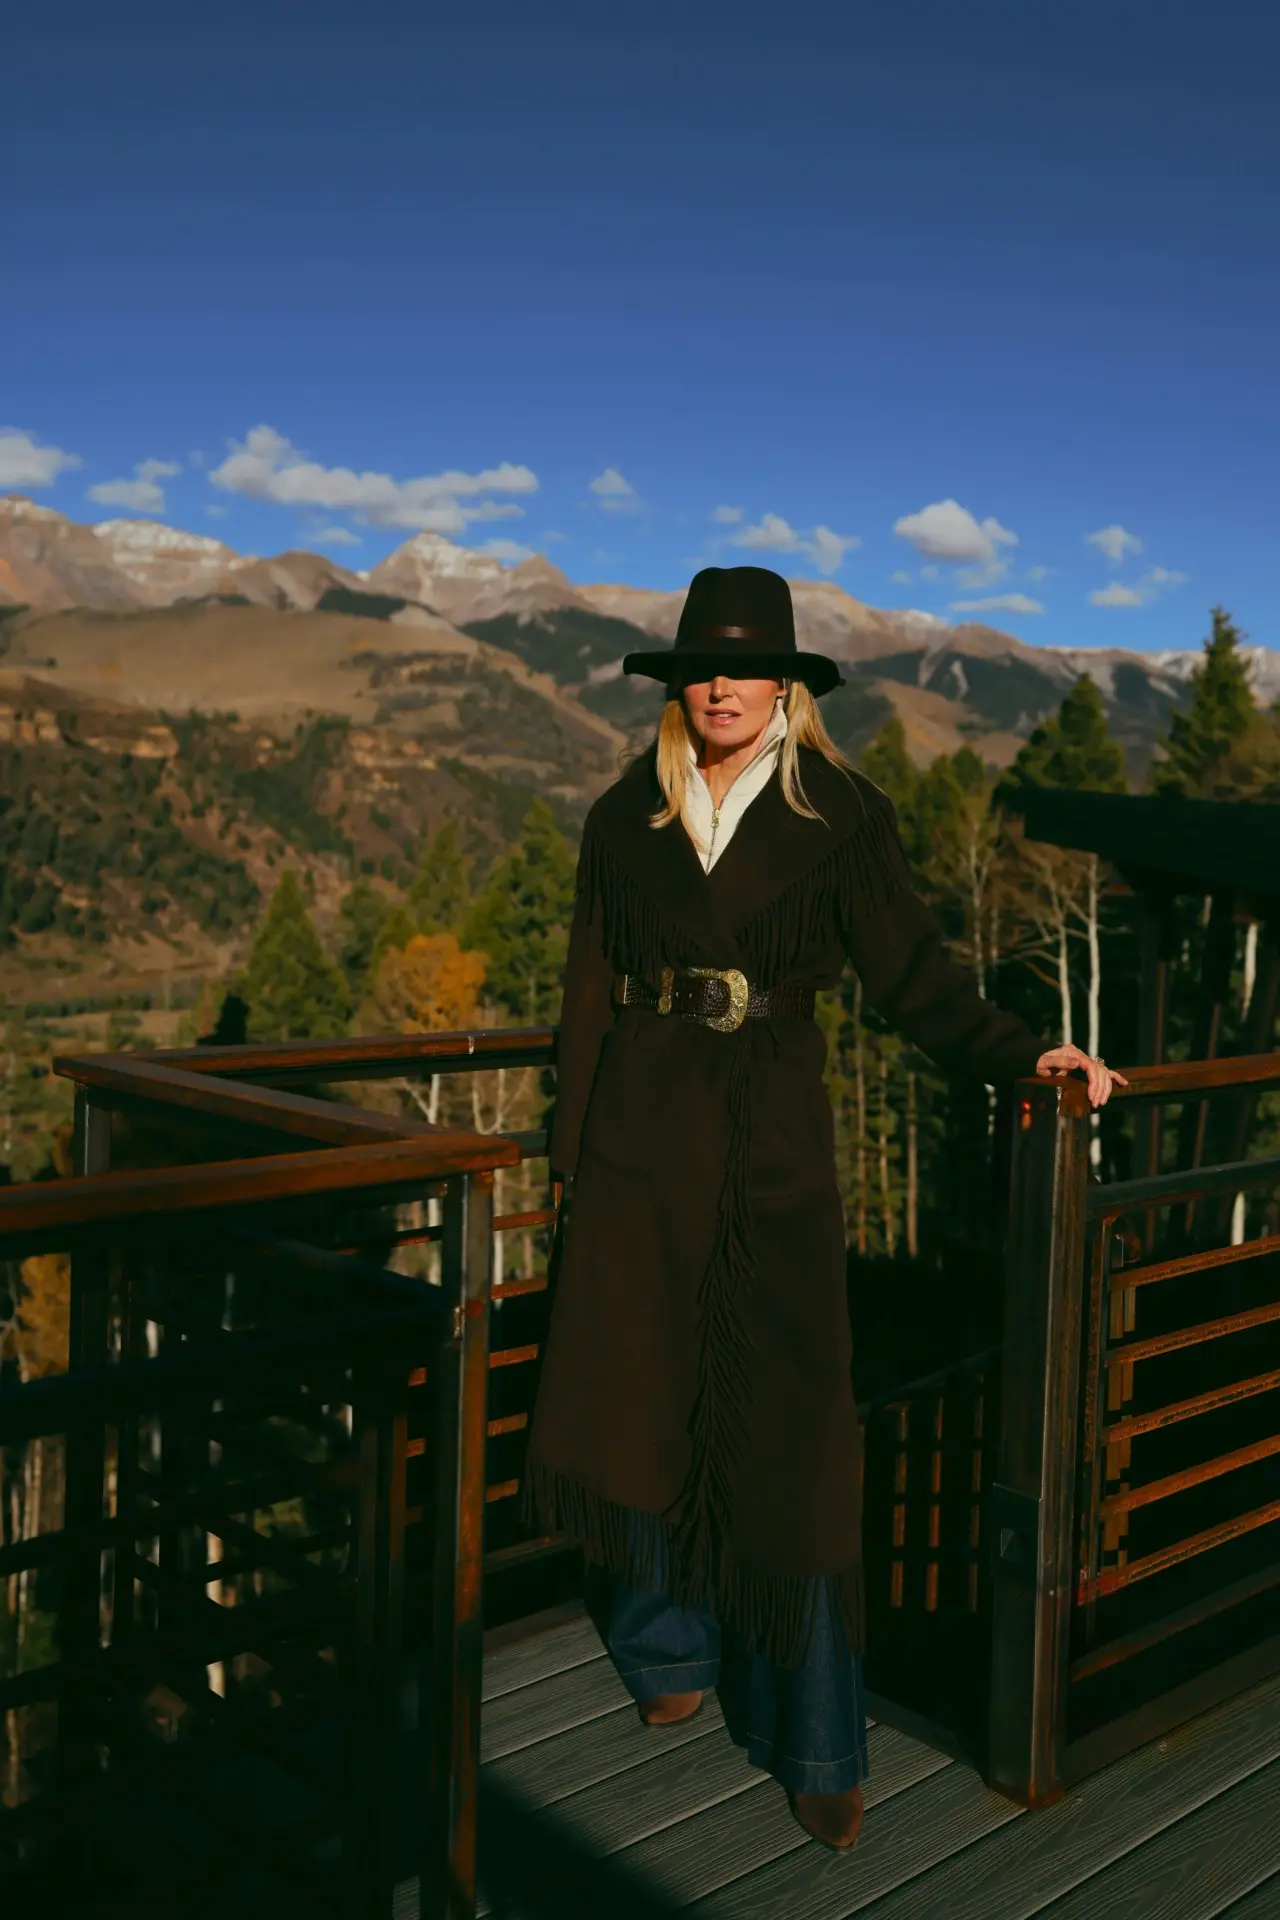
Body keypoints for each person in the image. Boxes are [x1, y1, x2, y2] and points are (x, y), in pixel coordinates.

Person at [523, 566, 1123, 1852]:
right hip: (635, 1141)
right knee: (633, 1392)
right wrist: (571, 1159)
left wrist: (1023, 1052)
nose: (721, 687)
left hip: (770, 1148)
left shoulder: (840, 813)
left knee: (793, 1438)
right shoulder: (624, 812)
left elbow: (914, 976)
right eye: (701, 668)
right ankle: (665, 1648)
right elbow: (585, 986)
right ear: (677, 684)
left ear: (786, 686)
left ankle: (814, 1737)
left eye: (744, 668)